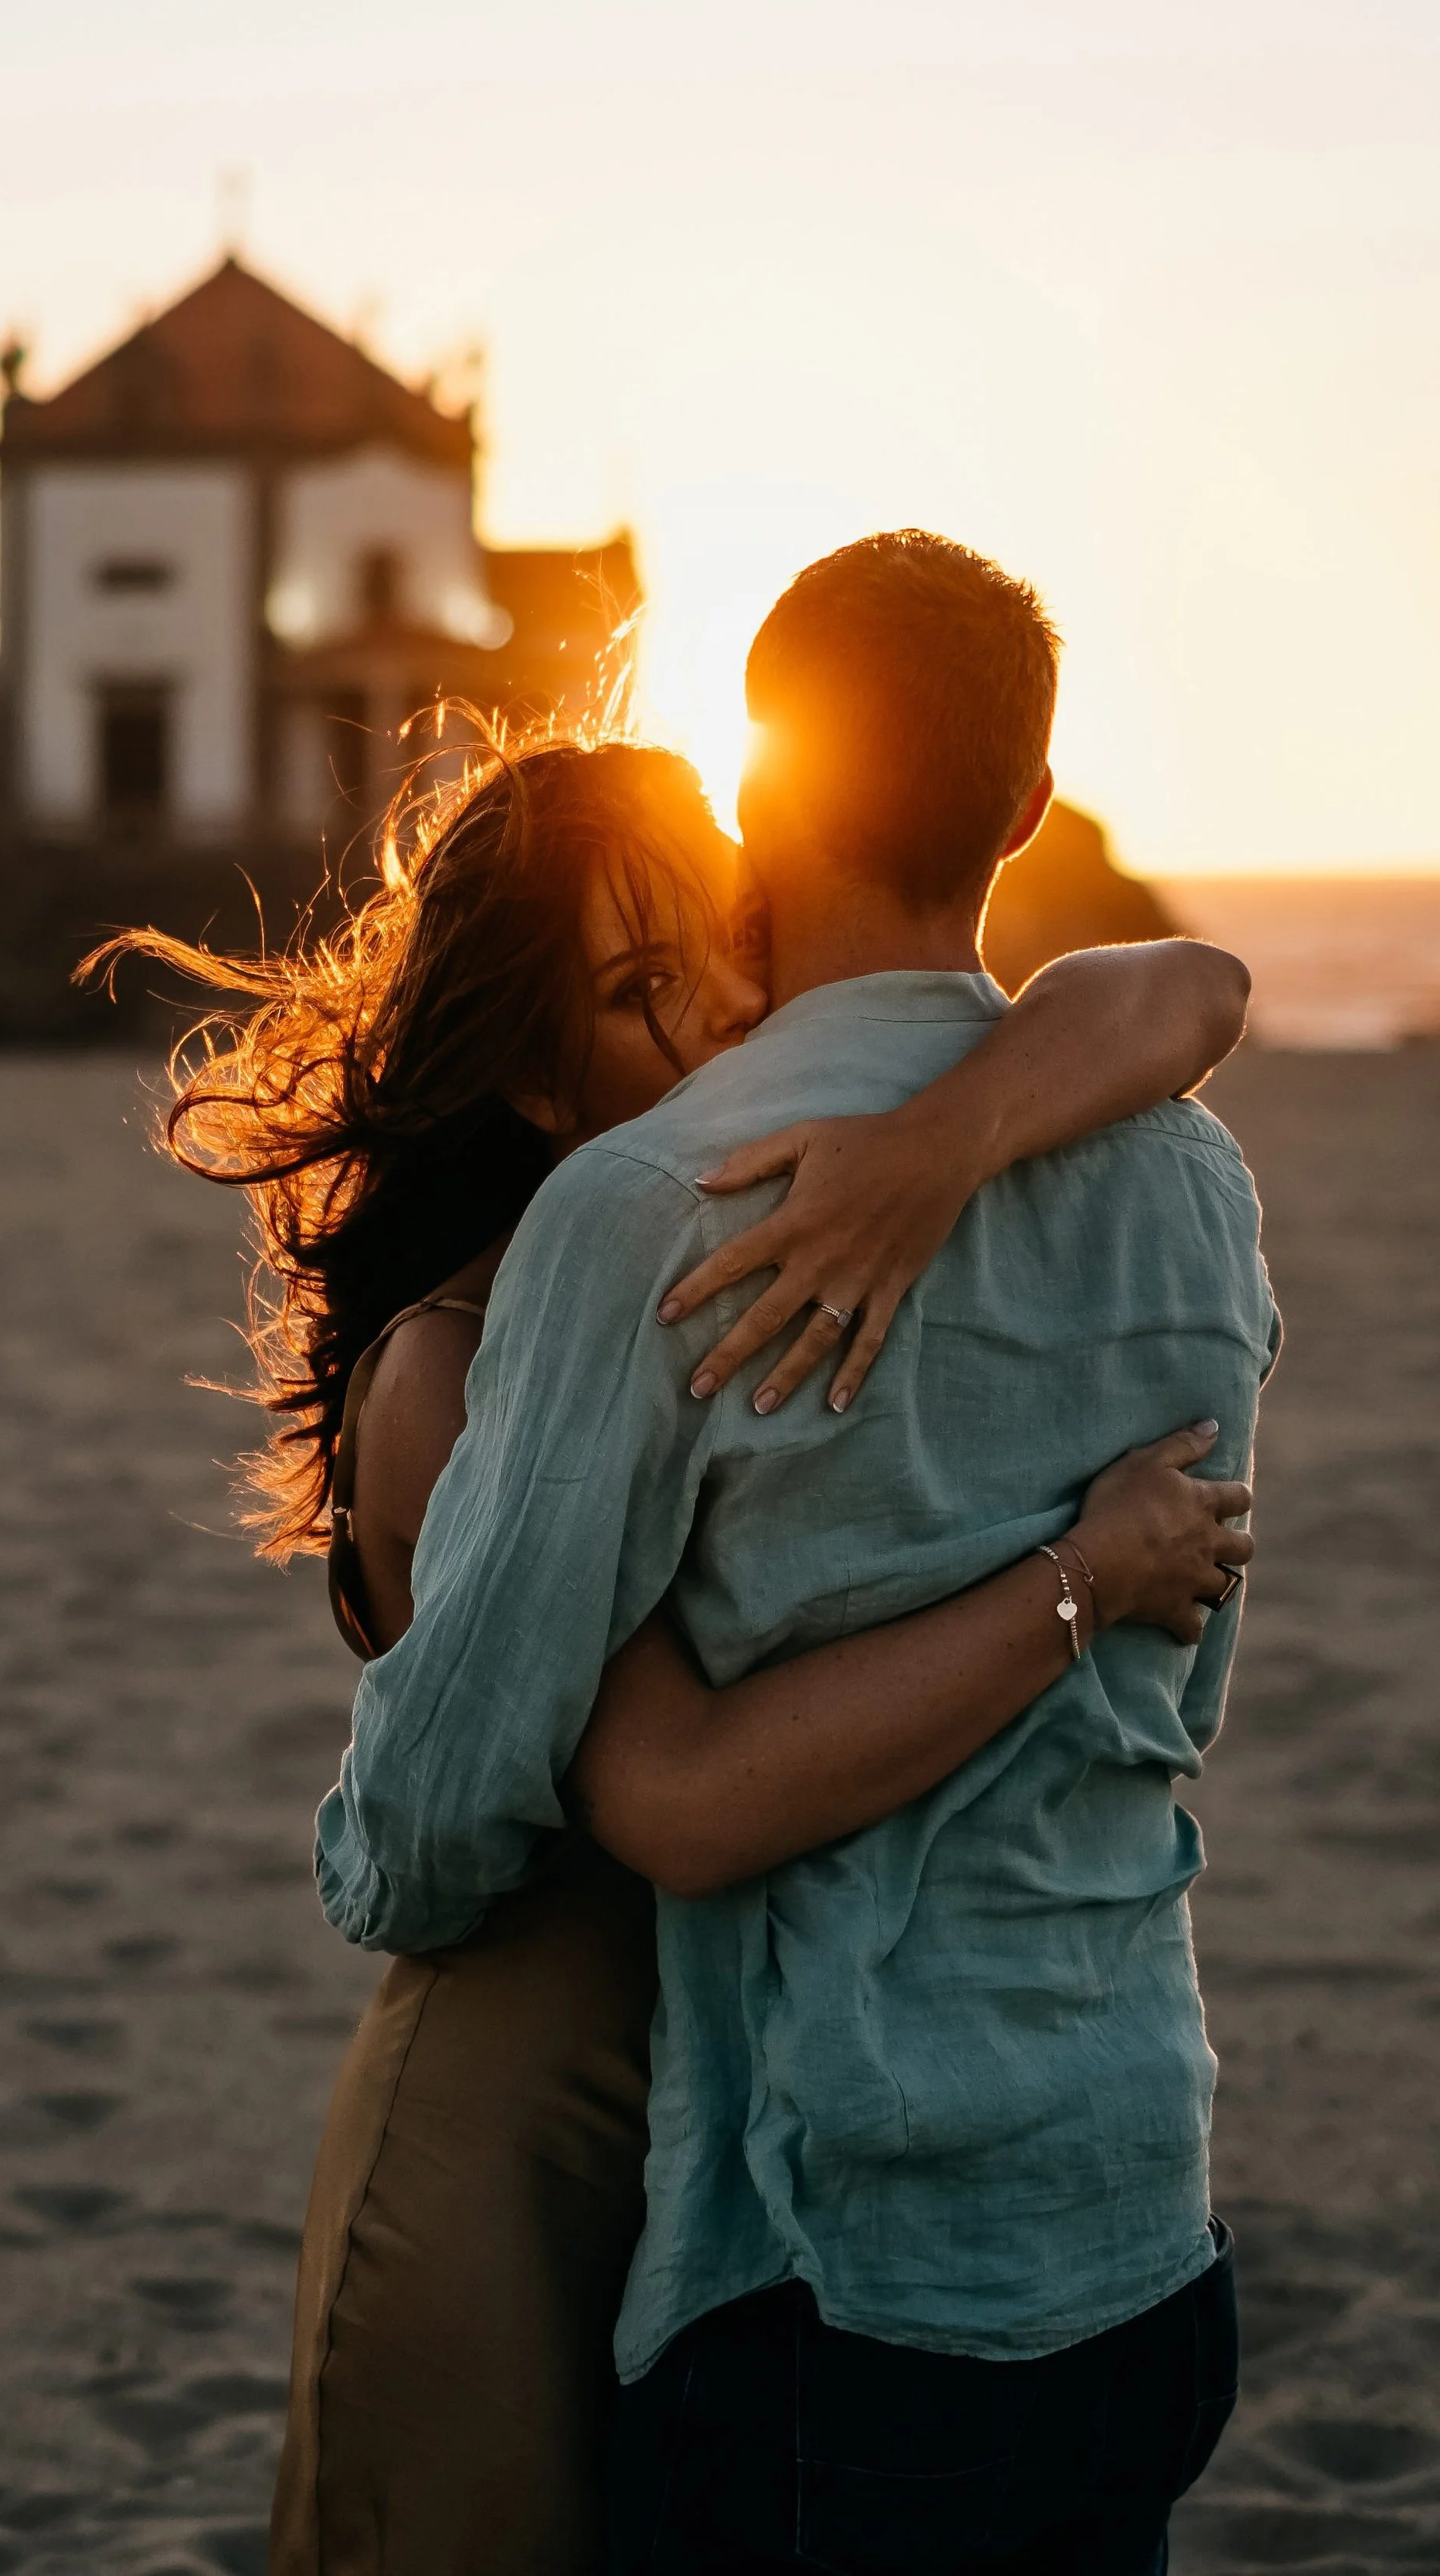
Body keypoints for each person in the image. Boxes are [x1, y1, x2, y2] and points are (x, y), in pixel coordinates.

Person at [121, 714, 1255, 2576]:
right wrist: (1075, 1579)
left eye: (732, 931)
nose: (732, 1008)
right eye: (645, 989)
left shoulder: (778, 1217)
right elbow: (622, 1811)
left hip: (732, 2068)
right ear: (544, 1085)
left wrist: (932, 1139)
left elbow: (1183, 991)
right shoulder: (466, 1361)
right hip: (535, 2089)